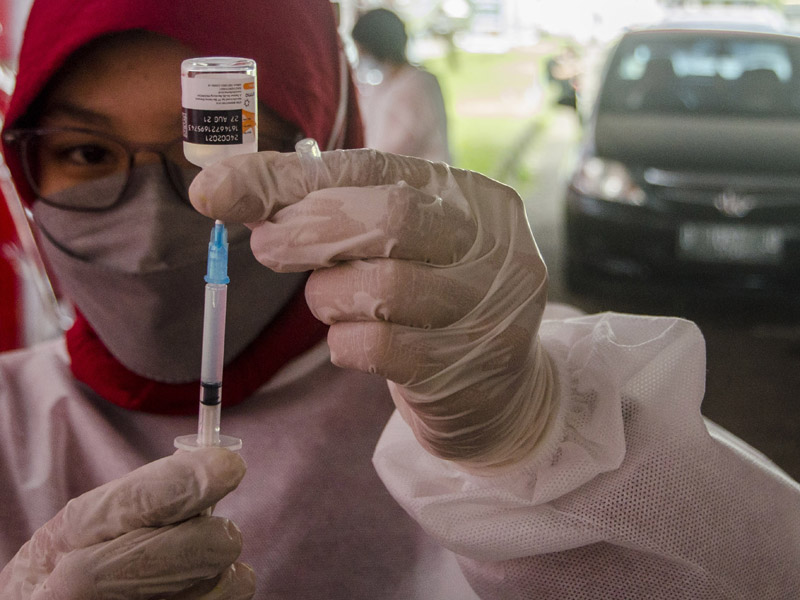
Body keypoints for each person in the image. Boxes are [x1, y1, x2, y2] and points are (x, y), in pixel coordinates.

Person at [0, 0, 798, 598]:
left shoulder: (480, 373)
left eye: (207, 152)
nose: (152, 226)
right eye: (85, 152)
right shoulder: (10, 424)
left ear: (326, 143)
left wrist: (537, 448)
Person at [352, 8, 451, 163]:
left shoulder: (417, 85)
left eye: (362, 50)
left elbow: (393, 148)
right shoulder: (384, 85)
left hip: (418, 182)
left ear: (375, 47)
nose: (359, 57)